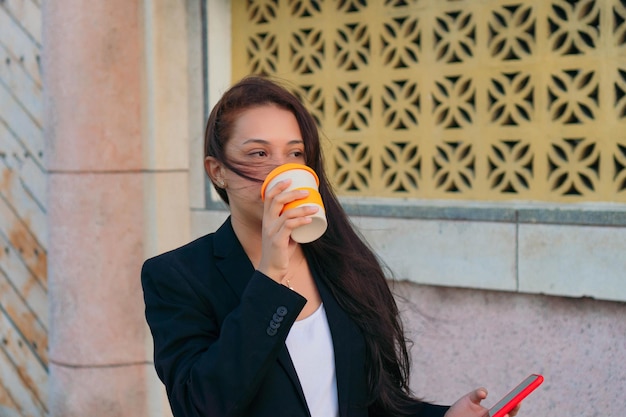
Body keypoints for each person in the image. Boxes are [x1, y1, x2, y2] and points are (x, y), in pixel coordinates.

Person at [141, 76, 521, 417]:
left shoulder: (342, 263)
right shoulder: (177, 276)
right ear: (217, 170)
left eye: (294, 154)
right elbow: (201, 405)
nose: (281, 170)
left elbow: (377, 404)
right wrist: (271, 274)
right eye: (259, 154)